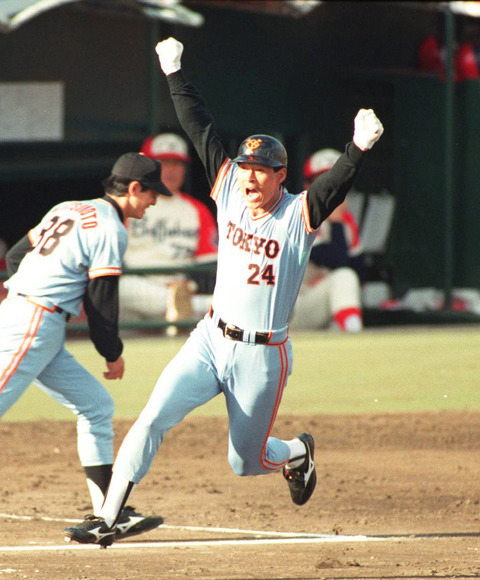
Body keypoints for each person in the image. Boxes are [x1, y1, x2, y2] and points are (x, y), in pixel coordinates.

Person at [63, 37, 383, 547]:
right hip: (210, 340)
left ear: (281, 175)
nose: (249, 177)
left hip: (263, 355)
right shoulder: (230, 185)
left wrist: (358, 148)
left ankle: (297, 452)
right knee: (151, 418)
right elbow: (200, 127)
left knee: (246, 462)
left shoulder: (297, 213)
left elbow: (333, 187)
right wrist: (174, 72)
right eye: (245, 167)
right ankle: (110, 515)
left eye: (260, 170)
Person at [0, 153, 168, 540]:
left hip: (35, 319)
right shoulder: (111, 227)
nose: (154, 200)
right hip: (33, 321)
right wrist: (112, 353)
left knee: (96, 405)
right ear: (134, 188)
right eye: (151, 192)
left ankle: (109, 512)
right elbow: (101, 301)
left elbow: (15, 255)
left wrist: (32, 291)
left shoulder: (68, 207)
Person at [119, 132, 218, 335]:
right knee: (118, 287)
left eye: (177, 164)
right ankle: (177, 306)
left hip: (182, 287)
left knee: (221, 300)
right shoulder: (128, 204)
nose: (171, 170)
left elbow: (210, 269)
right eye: (163, 163)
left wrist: (189, 284)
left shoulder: (197, 210)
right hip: (138, 288)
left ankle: (179, 306)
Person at [289, 149, 365, 333]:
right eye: (323, 180)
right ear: (307, 186)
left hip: (322, 303)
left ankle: (354, 334)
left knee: (345, 280)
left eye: (337, 180)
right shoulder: (298, 214)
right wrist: (336, 220)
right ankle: (354, 334)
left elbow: (358, 272)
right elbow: (337, 261)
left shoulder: (346, 221)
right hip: (292, 309)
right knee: (343, 277)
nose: (331, 187)